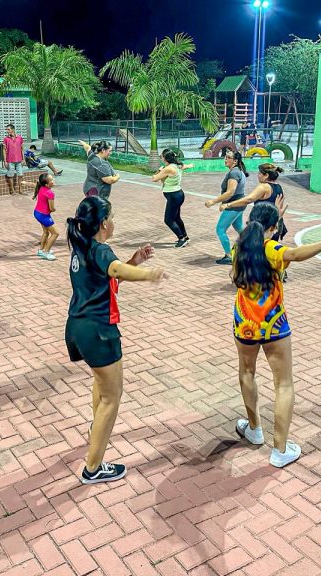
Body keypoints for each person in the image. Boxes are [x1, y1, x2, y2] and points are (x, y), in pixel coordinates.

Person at [231, 202, 321, 466]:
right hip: (274, 325)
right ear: (274, 228)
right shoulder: (273, 249)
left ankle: (254, 429)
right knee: (284, 384)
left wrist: (275, 220)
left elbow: (239, 268)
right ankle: (280, 450)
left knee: (247, 373)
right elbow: (295, 254)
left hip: (245, 324)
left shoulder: (239, 247)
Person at [66, 196, 164, 484]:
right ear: (103, 223)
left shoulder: (81, 246)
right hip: (99, 331)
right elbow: (116, 270)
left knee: (101, 384)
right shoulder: (100, 249)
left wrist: (134, 261)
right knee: (112, 396)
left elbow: (108, 276)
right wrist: (147, 274)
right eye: (112, 217)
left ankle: (95, 431)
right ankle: (93, 468)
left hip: (78, 327)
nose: (114, 222)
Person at [219, 162, 288, 241]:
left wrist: (228, 205)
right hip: (274, 227)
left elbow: (249, 199)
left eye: (259, 173)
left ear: (266, 175)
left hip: (262, 227)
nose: (258, 175)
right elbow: (279, 208)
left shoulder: (264, 187)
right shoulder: (279, 187)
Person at [205, 151, 248, 265]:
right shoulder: (238, 171)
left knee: (220, 229)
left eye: (228, 157)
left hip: (234, 205)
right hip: (239, 204)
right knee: (239, 227)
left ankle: (228, 256)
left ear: (235, 161)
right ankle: (252, 245)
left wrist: (213, 201)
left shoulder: (234, 173)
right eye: (225, 157)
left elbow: (230, 192)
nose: (225, 159)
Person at [151, 149, 192, 248]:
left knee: (168, 220)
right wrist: (190, 165)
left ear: (165, 158)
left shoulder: (168, 169)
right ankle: (185, 237)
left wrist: (159, 170)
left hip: (174, 196)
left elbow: (154, 178)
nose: (160, 158)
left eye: (161, 156)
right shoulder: (176, 165)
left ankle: (181, 239)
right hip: (178, 195)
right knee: (176, 218)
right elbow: (185, 166)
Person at [33, 172, 59, 260]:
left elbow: (34, 184)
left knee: (46, 232)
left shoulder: (41, 187)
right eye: (51, 180)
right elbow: (51, 208)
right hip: (43, 216)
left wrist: (25, 183)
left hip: (37, 213)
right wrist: (54, 209)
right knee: (55, 233)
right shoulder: (50, 193)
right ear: (46, 184)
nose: (53, 181)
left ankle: (41, 250)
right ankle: (46, 252)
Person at [3, 124, 24, 195]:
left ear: (13, 129)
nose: (7, 131)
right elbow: (4, 150)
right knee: (11, 176)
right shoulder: (6, 139)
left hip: (19, 160)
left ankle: (20, 190)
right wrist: (5, 161)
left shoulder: (20, 138)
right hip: (10, 160)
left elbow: (22, 149)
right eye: (7, 130)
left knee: (20, 175)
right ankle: (12, 191)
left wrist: (23, 159)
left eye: (8, 129)